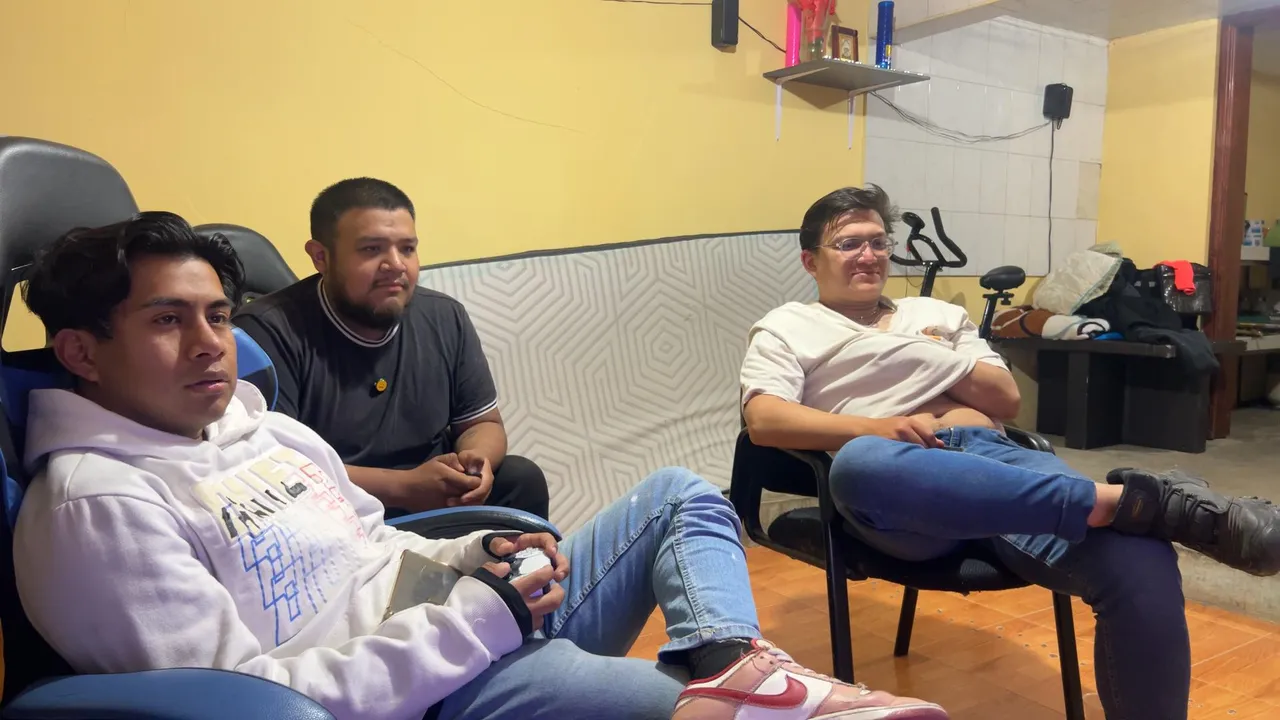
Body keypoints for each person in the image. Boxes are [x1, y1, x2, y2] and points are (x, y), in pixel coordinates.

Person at [13, 212, 951, 720]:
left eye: (217, 315)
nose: (211, 344)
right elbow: (251, 703)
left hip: (455, 629)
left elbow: (373, 543)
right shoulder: (99, 506)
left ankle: (731, 661)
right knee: (680, 708)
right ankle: (731, 695)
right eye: (167, 321)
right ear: (82, 351)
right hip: (431, 691)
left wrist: (472, 559)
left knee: (680, 494)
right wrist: (479, 619)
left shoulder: (262, 429)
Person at [741, 185, 1280, 720]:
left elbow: (1005, 398)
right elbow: (764, 420)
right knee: (860, 464)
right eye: (849, 244)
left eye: (879, 242)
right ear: (811, 261)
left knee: (1142, 559)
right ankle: (1144, 503)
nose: (869, 255)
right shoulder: (787, 327)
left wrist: (908, 355)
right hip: (906, 490)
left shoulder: (934, 313)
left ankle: (1133, 508)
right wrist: (881, 424)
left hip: (1001, 464)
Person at [233, 178, 549, 519]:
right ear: (321, 256)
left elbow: (481, 424)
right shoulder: (267, 332)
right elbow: (274, 465)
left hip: (437, 498)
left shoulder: (445, 316)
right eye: (372, 249)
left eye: (407, 249)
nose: (396, 265)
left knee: (519, 478)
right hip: (338, 512)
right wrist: (404, 488)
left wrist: (473, 464)